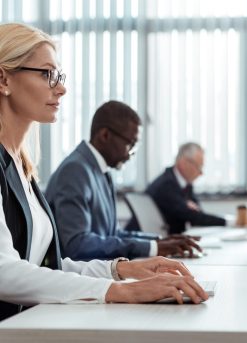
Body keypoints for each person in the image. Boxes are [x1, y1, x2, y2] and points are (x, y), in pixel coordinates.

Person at [0, 23, 208, 321]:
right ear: (3, 78)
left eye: (59, 76)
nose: (61, 87)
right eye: (47, 74)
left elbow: (48, 266)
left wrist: (123, 269)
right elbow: (4, 272)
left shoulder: (23, 167)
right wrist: (122, 290)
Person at [45, 100, 202, 261]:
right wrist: (153, 248)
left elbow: (113, 234)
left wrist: (159, 241)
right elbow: (77, 244)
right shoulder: (75, 171)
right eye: (130, 145)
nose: (130, 154)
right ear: (105, 135)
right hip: (80, 278)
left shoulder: (102, 171)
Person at [144, 143, 227, 234]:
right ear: (183, 163)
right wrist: (227, 222)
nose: (201, 173)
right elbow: (195, 218)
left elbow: (198, 213)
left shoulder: (185, 184)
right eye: (198, 167)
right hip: (154, 240)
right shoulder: (166, 185)